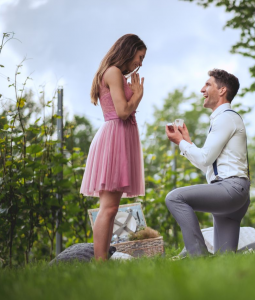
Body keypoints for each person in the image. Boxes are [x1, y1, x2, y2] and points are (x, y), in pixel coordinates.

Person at [165, 69, 255, 257]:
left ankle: (198, 257)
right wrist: (187, 143)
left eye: (208, 84)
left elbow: (204, 159)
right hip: (233, 192)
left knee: (174, 198)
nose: (202, 89)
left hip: (229, 190)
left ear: (222, 90)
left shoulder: (226, 118)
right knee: (225, 258)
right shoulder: (224, 119)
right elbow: (206, 164)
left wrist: (181, 143)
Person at [80, 34, 146, 260]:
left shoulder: (115, 74)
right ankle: (99, 263)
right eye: (140, 56)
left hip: (119, 137)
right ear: (129, 50)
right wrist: (138, 95)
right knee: (108, 208)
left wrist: (134, 94)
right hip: (114, 138)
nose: (140, 63)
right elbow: (123, 111)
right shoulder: (113, 72)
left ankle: (102, 260)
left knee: (111, 208)